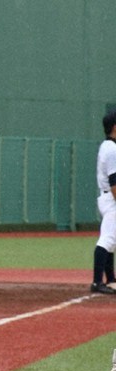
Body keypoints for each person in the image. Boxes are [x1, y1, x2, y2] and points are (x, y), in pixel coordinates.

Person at [90, 110, 116, 294]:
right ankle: (97, 282)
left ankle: (111, 279)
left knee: (111, 239)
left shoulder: (107, 146)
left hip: (106, 196)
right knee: (107, 240)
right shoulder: (112, 149)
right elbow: (114, 181)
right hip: (112, 197)